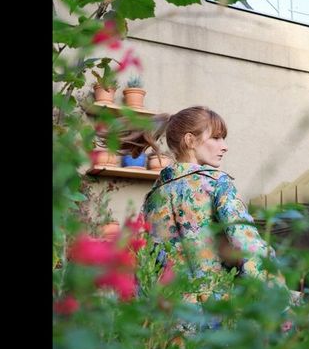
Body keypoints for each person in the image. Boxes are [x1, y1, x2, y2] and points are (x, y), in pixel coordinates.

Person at [121, 106, 294, 306]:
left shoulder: (153, 197)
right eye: (216, 137)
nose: (225, 146)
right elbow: (248, 246)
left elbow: (144, 262)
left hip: (169, 319)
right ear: (190, 141)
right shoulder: (215, 183)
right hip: (214, 315)